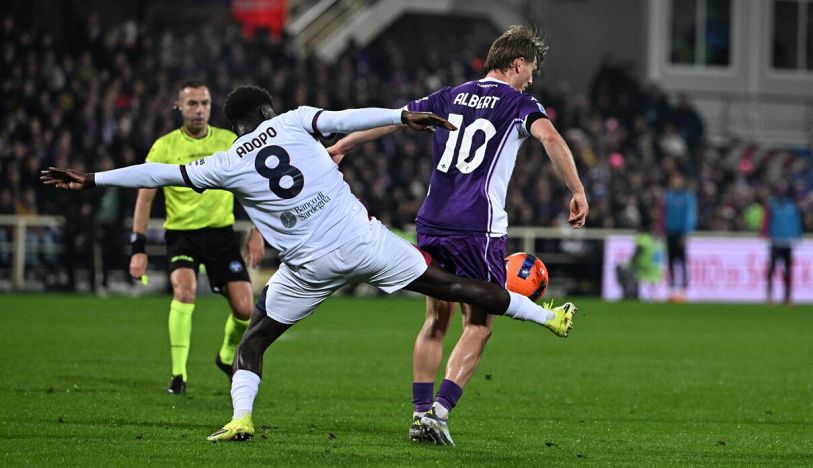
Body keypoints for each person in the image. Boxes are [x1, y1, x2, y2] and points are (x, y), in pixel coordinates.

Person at [42, 84, 578, 444]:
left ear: (234, 122)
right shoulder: (297, 122)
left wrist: (92, 178)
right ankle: (546, 317)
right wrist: (400, 116)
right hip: (363, 242)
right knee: (457, 287)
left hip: (308, 267)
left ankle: (241, 417)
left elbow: (156, 175)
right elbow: (347, 119)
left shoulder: (226, 161)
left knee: (253, 341)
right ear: (268, 111)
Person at [327, 25, 588, 446]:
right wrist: (576, 191)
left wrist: (344, 145)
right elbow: (551, 137)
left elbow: (395, 120)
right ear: (517, 63)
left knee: (435, 319)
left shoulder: (451, 94)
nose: (532, 79)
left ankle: (418, 413)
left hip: (432, 220)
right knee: (480, 323)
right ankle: (440, 412)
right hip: (477, 226)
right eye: (531, 70)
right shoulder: (520, 103)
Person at [128, 80, 265, 394]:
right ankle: (178, 375)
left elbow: (255, 187)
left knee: (246, 310)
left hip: (221, 235)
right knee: (185, 292)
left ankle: (226, 356)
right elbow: (145, 197)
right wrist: (138, 247)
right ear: (179, 106)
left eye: (204, 103)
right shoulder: (164, 147)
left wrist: (258, 231)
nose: (200, 110)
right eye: (192, 104)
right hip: (182, 236)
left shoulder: (230, 141)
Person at [762, 182, 802, 305]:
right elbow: (766, 220)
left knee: (788, 271)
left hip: (787, 242)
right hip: (775, 241)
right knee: (772, 269)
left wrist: (798, 234)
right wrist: (764, 232)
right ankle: (769, 296)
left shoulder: (791, 206)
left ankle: (787, 296)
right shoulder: (772, 205)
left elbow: (796, 221)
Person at [663, 171, 697, 302]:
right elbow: (664, 214)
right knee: (670, 261)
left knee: (681, 261)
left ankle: (683, 290)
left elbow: (689, 217)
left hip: (680, 233)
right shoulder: (669, 197)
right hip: (670, 232)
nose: (674, 182)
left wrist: (685, 233)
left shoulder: (687, 198)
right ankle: (671, 290)